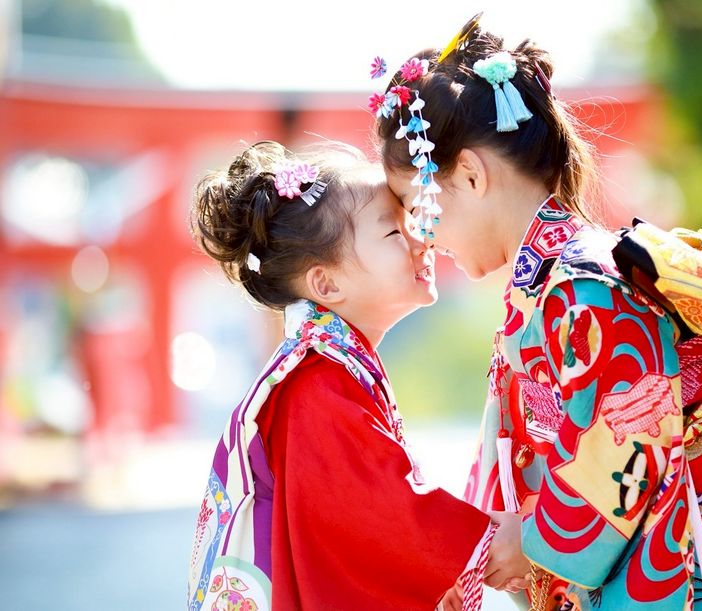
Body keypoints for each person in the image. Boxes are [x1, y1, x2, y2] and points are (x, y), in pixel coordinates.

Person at [371, 16, 702, 611]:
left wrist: (531, 539)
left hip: (687, 540)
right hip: (652, 533)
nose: (423, 236)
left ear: (473, 175)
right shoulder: (551, 280)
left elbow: (628, 439)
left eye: (420, 207)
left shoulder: (582, 283)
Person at [185, 140, 527, 611]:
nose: (422, 240)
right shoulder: (316, 384)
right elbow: (385, 512)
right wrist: (493, 541)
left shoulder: (327, 370)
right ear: (327, 283)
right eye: (393, 232)